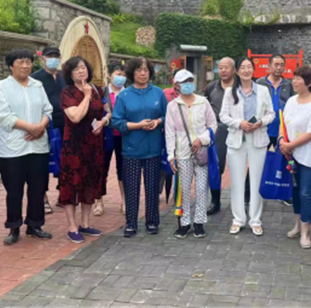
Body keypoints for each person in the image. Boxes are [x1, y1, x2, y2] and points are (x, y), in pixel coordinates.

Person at [0, 48, 53, 245]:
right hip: (12, 149)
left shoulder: (37, 85)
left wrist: (41, 126)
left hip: (38, 147)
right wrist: (31, 128)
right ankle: (14, 227)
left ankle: (35, 225)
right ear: (11, 66)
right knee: (14, 190)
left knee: (37, 188)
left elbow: (48, 109)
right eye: (21, 62)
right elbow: (4, 116)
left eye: (28, 62)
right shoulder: (2, 87)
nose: (26, 66)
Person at [112, 57, 168, 238]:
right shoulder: (124, 95)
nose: (143, 73)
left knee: (152, 188)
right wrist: (137, 125)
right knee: (131, 188)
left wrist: (158, 122)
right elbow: (117, 121)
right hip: (131, 149)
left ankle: (152, 221)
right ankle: (131, 223)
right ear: (132, 73)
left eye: (145, 70)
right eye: (138, 70)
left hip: (153, 148)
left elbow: (168, 116)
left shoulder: (158, 93)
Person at [220, 57, 275, 236]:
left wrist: (261, 122)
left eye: (249, 67)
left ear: (254, 70)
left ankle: (255, 220)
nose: (246, 70)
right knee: (236, 181)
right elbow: (223, 116)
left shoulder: (263, 90)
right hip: (237, 139)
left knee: (256, 180)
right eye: (242, 67)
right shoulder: (230, 92)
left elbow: (271, 114)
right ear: (237, 71)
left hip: (258, 139)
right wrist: (239, 123)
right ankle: (238, 219)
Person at [58, 57, 111, 243]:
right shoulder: (68, 93)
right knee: (72, 183)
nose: (81, 71)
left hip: (94, 144)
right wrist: (87, 96)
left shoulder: (97, 89)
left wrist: (103, 122)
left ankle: (85, 223)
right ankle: (72, 227)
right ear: (70, 74)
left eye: (83, 67)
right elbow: (75, 117)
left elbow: (108, 112)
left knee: (90, 182)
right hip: (74, 146)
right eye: (76, 69)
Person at [165, 70, 218, 239]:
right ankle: (184, 222)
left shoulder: (203, 102)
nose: (188, 84)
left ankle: (199, 222)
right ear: (177, 85)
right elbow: (170, 132)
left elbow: (213, 125)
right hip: (182, 153)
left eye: (190, 80)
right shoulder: (173, 106)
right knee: (184, 188)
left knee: (202, 188)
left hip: (201, 152)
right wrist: (171, 155)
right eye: (184, 82)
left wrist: (201, 139)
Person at [280, 66, 311, 249]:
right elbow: (283, 122)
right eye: (294, 77)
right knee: (295, 190)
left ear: (309, 83)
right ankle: (297, 225)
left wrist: (290, 145)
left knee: (306, 193)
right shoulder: (291, 101)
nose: (294, 81)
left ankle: (306, 231)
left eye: (299, 78)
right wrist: (282, 140)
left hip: (309, 157)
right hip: (291, 155)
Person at [31, 46, 66, 215]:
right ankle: (43, 197)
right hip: (45, 124)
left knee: (64, 159)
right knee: (43, 161)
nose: (53, 59)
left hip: (65, 123)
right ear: (43, 58)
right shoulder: (35, 79)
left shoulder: (64, 77)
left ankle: (63, 193)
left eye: (56, 56)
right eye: (50, 56)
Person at [256, 54, 294, 205]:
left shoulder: (289, 85)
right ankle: (249, 192)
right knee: (257, 162)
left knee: (284, 162)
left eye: (281, 65)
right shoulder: (260, 83)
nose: (279, 68)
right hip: (264, 129)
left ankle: (283, 193)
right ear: (269, 66)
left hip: (283, 131)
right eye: (276, 64)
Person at [93, 63, 128, 216]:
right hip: (105, 135)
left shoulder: (128, 93)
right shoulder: (101, 92)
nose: (121, 78)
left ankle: (125, 201)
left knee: (124, 169)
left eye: (123, 75)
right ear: (109, 75)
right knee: (101, 168)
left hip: (124, 136)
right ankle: (98, 202)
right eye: (118, 74)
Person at [204, 57, 236, 215]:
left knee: (238, 166)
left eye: (226, 67)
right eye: (220, 67)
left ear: (233, 70)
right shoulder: (212, 87)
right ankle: (215, 201)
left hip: (236, 128)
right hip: (217, 130)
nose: (223, 71)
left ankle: (240, 200)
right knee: (216, 166)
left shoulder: (239, 87)